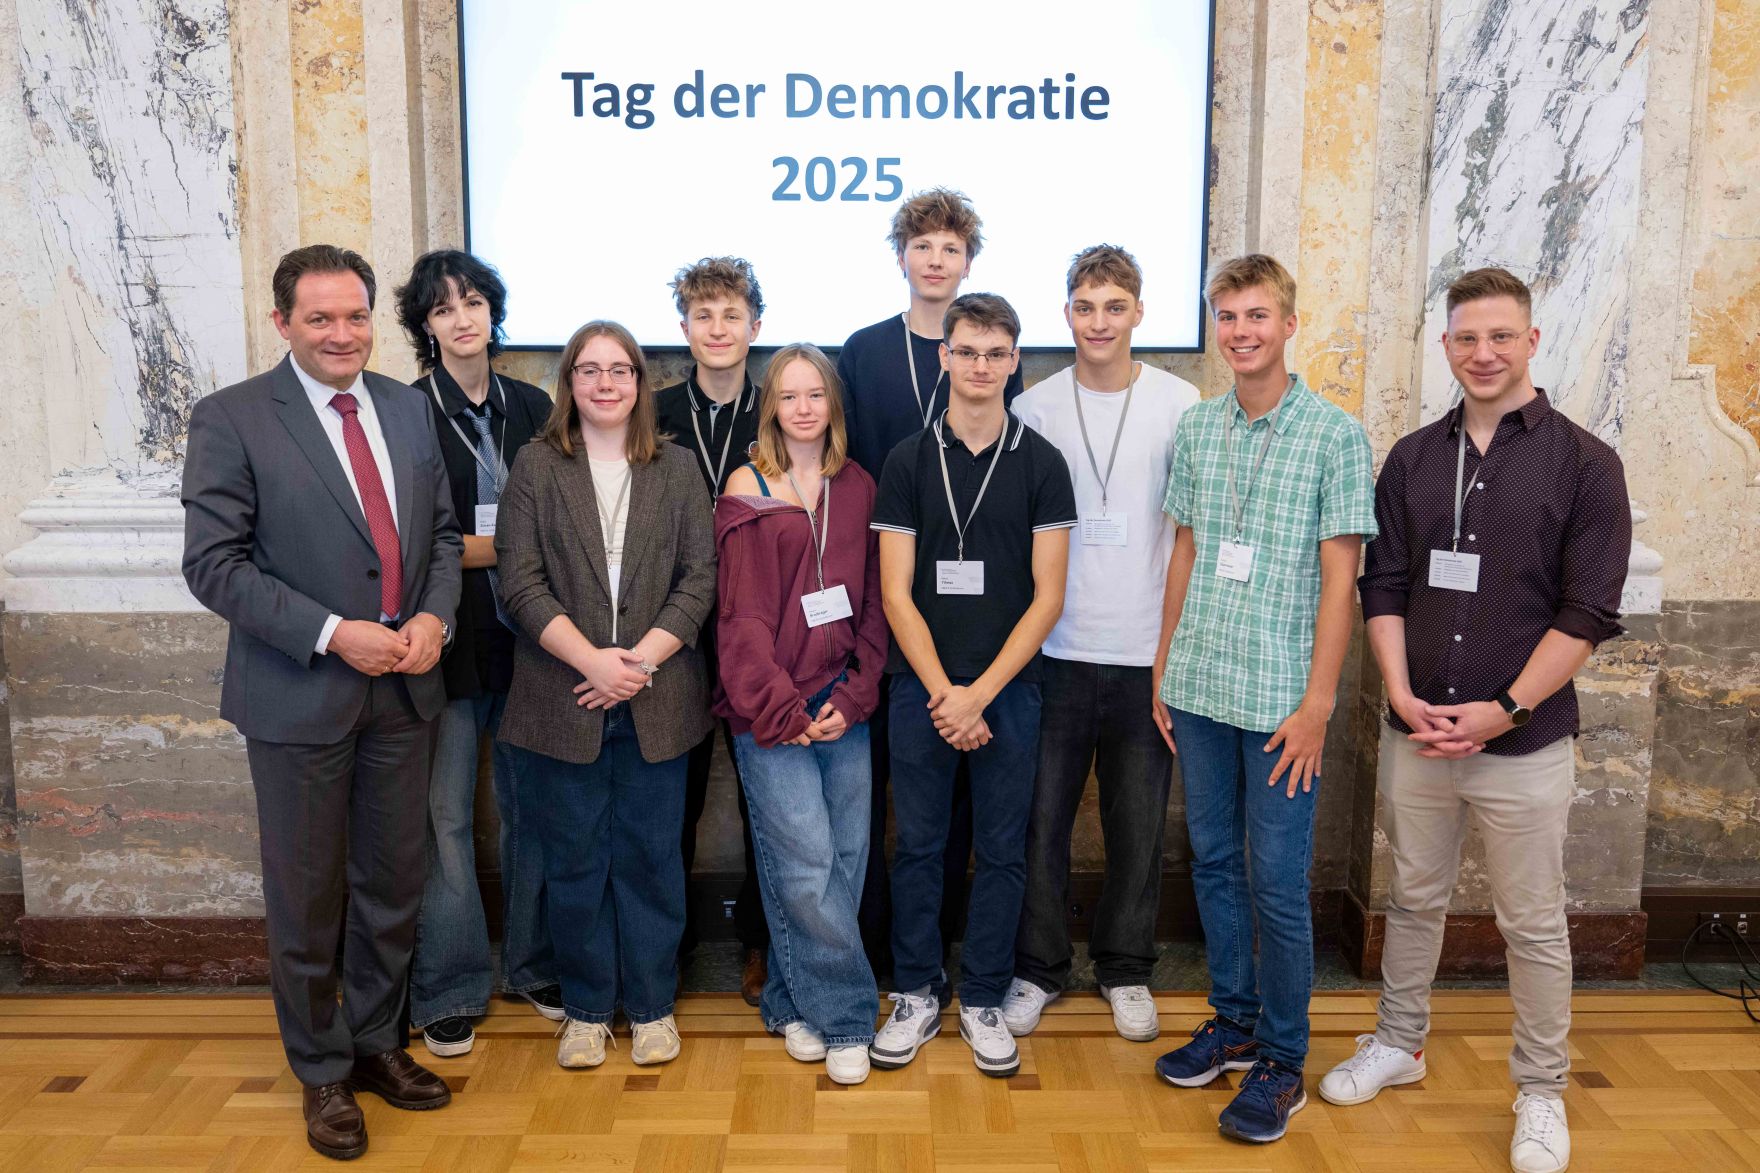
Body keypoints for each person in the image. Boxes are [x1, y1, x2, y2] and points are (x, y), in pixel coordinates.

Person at [1321, 268, 1629, 1173]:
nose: (1482, 353)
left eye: (1499, 336)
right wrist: (1399, 688)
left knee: (1532, 922)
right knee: (1411, 900)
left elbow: (1588, 613)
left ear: (1532, 340)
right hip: (1417, 731)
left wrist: (1501, 710)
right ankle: (1400, 1044)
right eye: (1465, 338)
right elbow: (1385, 585)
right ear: (1446, 346)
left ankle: (1540, 1089)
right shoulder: (1415, 458)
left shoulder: (1584, 463)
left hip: (1522, 740)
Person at [181, 244, 462, 1161]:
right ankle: (322, 1072)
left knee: (392, 885)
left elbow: (445, 537)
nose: (342, 334)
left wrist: (434, 616)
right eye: (320, 318)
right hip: (299, 692)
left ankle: (378, 1043)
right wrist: (336, 631)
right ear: (282, 324)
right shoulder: (231, 419)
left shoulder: (407, 408)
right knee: (308, 897)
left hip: (405, 690)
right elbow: (213, 566)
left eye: (354, 316)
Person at [1149, 254, 1377, 1143]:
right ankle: (1234, 1020)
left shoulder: (1334, 435)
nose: (1241, 332)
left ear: (1289, 323)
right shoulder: (1201, 428)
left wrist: (1321, 700)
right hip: (1202, 685)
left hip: (1286, 702)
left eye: (1257, 316)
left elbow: (1340, 582)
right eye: (1227, 317)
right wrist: (1164, 666)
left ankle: (1284, 1058)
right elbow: (1187, 552)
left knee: (1276, 881)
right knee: (1210, 860)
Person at [493, 321, 716, 1071]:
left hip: (658, 695)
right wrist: (592, 660)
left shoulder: (678, 468)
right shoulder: (535, 466)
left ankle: (651, 1005)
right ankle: (588, 1010)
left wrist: (638, 663)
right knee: (576, 860)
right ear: (569, 383)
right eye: (589, 370)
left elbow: (700, 579)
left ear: (640, 383)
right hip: (563, 693)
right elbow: (518, 581)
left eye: (620, 369)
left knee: (653, 857)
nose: (606, 383)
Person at [868, 293, 1075, 1078]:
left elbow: (1047, 596)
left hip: (1009, 691)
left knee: (1001, 850)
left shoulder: (1042, 462)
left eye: (996, 353)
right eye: (968, 351)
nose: (981, 366)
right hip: (920, 689)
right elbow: (895, 593)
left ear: (1015, 361)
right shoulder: (906, 461)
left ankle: (984, 994)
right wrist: (946, 694)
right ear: (945, 357)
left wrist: (979, 693)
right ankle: (917, 991)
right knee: (917, 847)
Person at [1004, 245, 1198, 1043]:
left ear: (1140, 313)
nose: (1098, 321)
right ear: (1067, 314)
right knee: (1040, 820)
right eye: (1085, 306)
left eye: (1114, 306)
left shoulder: (1183, 403)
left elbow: (1189, 532)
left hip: (1144, 651)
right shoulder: (1034, 409)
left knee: (1138, 823)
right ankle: (1039, 967)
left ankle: (1124, 968)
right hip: (1054, 650)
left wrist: (1174, 653)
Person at [836, 188, 1019, 976]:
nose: (936, 259)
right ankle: (877, 939)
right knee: (882, 776)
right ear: (901, 257)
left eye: (951, 248)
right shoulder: (864, 348)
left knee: (959, 788)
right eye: (923, 246)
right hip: (878, 572)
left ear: (967, 261)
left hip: (969, 593)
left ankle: (946, 940)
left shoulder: (988, 350)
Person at [392, 250, 562, 1058]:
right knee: (446, 818)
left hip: (534, 643)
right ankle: (450, 986)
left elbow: (563, 522)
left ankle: (532, 965)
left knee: (533, 812)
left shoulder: (532, 405)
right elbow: (407, 542)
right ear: (424, 327)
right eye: (443, 309)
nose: (463, 318)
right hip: (446, 639)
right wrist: (497, 549)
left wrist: (492, 547)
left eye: (475, 302)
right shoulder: (403, 412)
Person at [713, 344, 889, 1085]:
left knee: (844, 862)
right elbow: (741, 621)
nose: (805, 407)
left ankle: (789, 999)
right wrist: (785, 707)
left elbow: (878, 605)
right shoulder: (747, 486)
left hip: (843, 702)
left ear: (833, 404)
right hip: (770, 709)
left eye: (816, 394)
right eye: (790, 395)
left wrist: (850, 698)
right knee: (805, 863)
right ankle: (849, 1016)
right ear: (772, 407)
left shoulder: (859, 487)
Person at [654, 256, 770, 1002]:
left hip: (762, 635)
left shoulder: (785, 406)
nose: (718, 328)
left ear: (756, 326)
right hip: (676, 637)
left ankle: (763, 940)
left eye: (732, 315)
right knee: (676, 798)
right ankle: (668, 943)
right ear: (685, 328)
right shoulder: (653, 411)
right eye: (704, 315)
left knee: (768, 797)